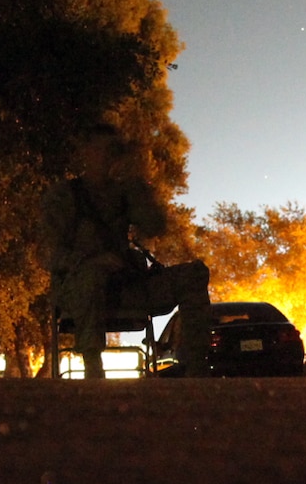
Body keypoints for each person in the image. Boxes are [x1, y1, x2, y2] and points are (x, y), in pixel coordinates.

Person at [40, 123, 211, 378]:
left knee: (194, 273)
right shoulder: (64, 197)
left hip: (125, 287)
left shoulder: (126, 192)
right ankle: (93, 367)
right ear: (85, 152)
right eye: (99, 149)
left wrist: (138, 182)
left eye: (112, 150)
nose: (106, 156)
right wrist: (93, 261)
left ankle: (195, 369)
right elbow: (46, 254)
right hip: (77, 290)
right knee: (91, 277)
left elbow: (156, 225)